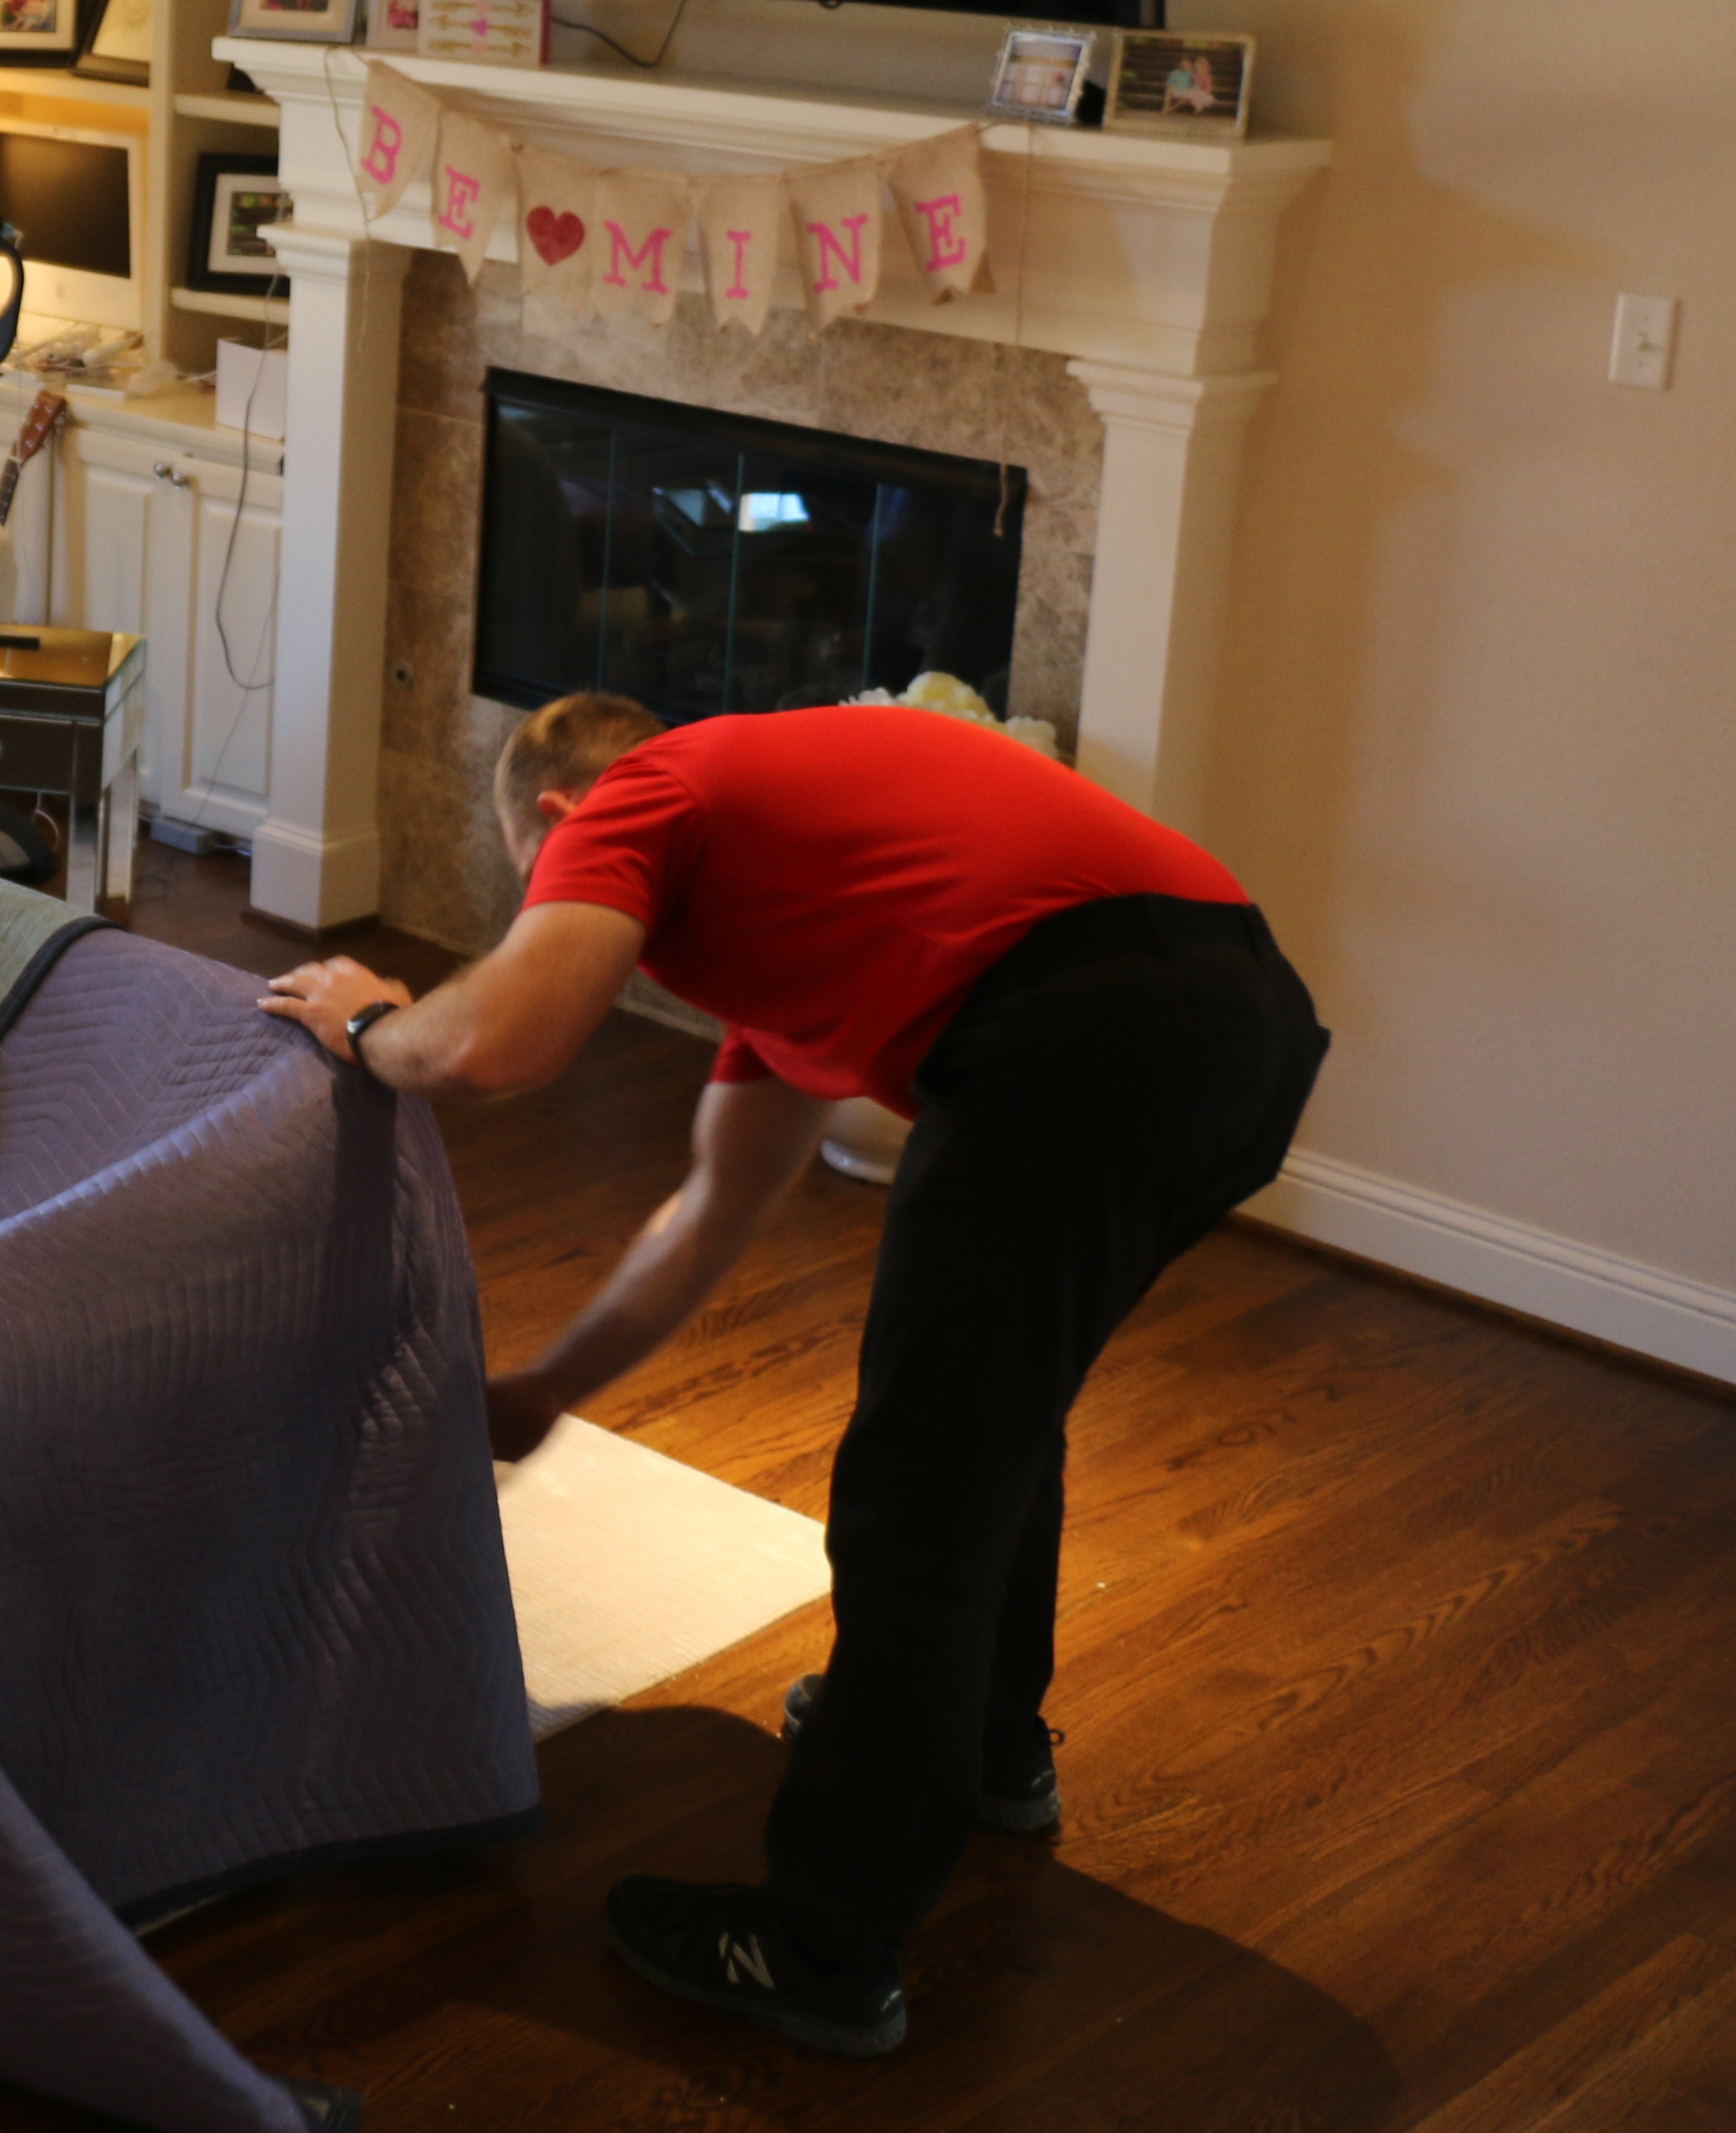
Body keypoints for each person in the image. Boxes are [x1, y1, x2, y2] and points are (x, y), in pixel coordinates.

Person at [260, 690, 1326, 2061]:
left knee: (915, 1492)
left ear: (550, 819)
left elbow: (490, 1042)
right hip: (1236, 1026)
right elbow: (712, 1206)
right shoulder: (798, 905)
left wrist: (364, 1021)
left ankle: (821, 1945)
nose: (555, 901)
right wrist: (540, 1389)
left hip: (1090, 1022)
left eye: (544, 881)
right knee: (995, 1410)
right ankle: (989, 1743)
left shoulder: (650, 789)